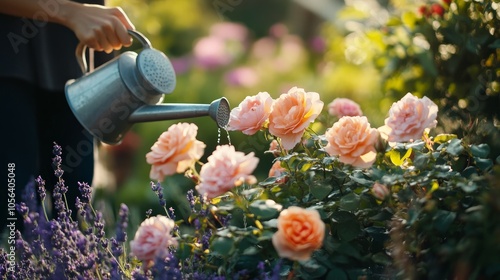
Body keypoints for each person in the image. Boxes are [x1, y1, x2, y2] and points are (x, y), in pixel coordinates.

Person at [0, 0, 135, 238]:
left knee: (76, 216)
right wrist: (71, 12)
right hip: (9, 65)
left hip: (75, 69)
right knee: (13, 216)